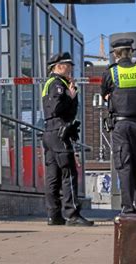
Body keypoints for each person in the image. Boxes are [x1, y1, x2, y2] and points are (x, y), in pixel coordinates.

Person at [101, 38, 136, 214]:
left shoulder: (111, 73)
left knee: (124, 166)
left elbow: (104, 93)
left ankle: (127, 206)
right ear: (131, 52)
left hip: (120, 125)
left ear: (115, 54)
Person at [42, 52, 93, 226]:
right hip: (59, 132)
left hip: (50, 132)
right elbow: (58, 108)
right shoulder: (57, 84)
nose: (70, 68)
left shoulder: (50, 83)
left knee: (53, 175)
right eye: (67, 65)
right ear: (57, 66)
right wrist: (71, 97)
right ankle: (72, 214)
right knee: (69, 172)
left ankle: (54, 215)